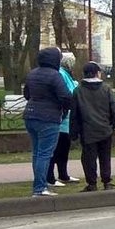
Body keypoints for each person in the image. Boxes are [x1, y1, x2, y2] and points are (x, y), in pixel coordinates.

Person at [24, 47, 73, 196]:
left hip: (30, 115)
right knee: (45, 154)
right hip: (48, 118)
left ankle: (39, 185)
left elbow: (27, 94)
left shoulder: (32, 73)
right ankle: (40, 188)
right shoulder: (54, 75)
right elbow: (66, 96)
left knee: (37, 153)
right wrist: (63, 110)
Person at [71, 62, 115, 191]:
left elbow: (74, 113)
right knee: (105, 156)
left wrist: (74, 132)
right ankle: (107, 181)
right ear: (97, 73)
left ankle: (92, 183)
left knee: (88, 158)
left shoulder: (78, 90)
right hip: (105, 129)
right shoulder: (106, 88)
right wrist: (113, 125)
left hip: (87, 130)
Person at [47, 53, 80, 187]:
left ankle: (63, 174)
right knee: (56, 150)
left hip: (66, 119)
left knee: (64, 149)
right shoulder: (61, 74)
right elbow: (68, 92)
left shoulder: (64, 73)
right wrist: (76, 87)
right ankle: (51, 177)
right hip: (62, 119)